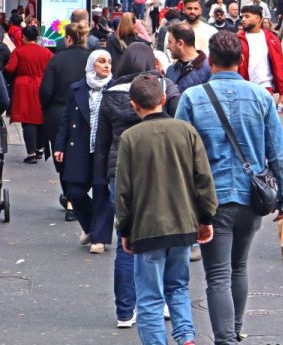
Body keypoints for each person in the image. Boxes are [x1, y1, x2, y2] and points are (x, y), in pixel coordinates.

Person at [176, 31, 283, 343]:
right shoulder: (260, 96)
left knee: (217, 275)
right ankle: (235, 330)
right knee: (239, 267)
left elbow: (180, 153)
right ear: (242, 61)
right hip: (253, 196)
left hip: (210, 198)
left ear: (210, 60)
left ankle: (225, 338)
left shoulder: (192, 98)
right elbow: (278, 151)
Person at [116, 73, 217, 345]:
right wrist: (205, 217)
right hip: (183, 224)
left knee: (149, 296)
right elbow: (203, 180)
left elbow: (124, 191)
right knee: (178, 287)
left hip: (147, 228)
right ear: (163, 99)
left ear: (134, 105)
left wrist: (124, 229)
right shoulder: (186, 131)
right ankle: (185, 337)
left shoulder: (130, 138)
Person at [95, 43, 182, 329]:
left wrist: (102, 179)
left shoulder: (110, 95)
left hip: (119, 171)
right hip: (160, 170)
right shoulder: (164, 90)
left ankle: (124, 311)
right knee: (165, 235)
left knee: (126, 240)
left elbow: (102, 141)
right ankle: (166, 302)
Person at [53, 49, 115, 254]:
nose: (106, 65)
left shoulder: (115, 89)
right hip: (79, 146)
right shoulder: (77, 89)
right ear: (91, 65)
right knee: (74, 191)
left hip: (103, 148)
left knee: (101, 193)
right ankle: (90, 226)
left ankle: (99, 238)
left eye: (109, 62)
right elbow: (65, 119)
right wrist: (59, 145)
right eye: (101, 61)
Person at [40, 21, 92, 220]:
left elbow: (45, 91)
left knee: (61, 156)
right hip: (86, 113)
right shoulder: (90, 59)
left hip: (58, 112)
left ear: (68, 38)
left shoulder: (56, 60)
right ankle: (76, 196)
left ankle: (71, 198)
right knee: (82, 154)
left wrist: (47, 108)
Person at [7, 25, 53, 164]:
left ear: (24, 37)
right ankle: (39, 149)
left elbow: (10, 68)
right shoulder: (46, 52)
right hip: (42, 85)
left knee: (27, 120)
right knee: (40, 118)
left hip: (24, 87)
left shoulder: (19, 51)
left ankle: (31, 153)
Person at [237, 5, 283, 110]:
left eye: (247, 16)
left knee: (265, 123)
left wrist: (282, 93)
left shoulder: (272, 39)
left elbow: (279, 65)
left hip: (266, 88)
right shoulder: (237, 39)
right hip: (243, 89)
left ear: (257, 19)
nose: (243, 19)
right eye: (242, 17)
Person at [166, 23, 212, 93]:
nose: (167, 47)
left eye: (170, 42)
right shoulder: (170, 70)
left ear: (180, 44)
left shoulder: (209, 69)